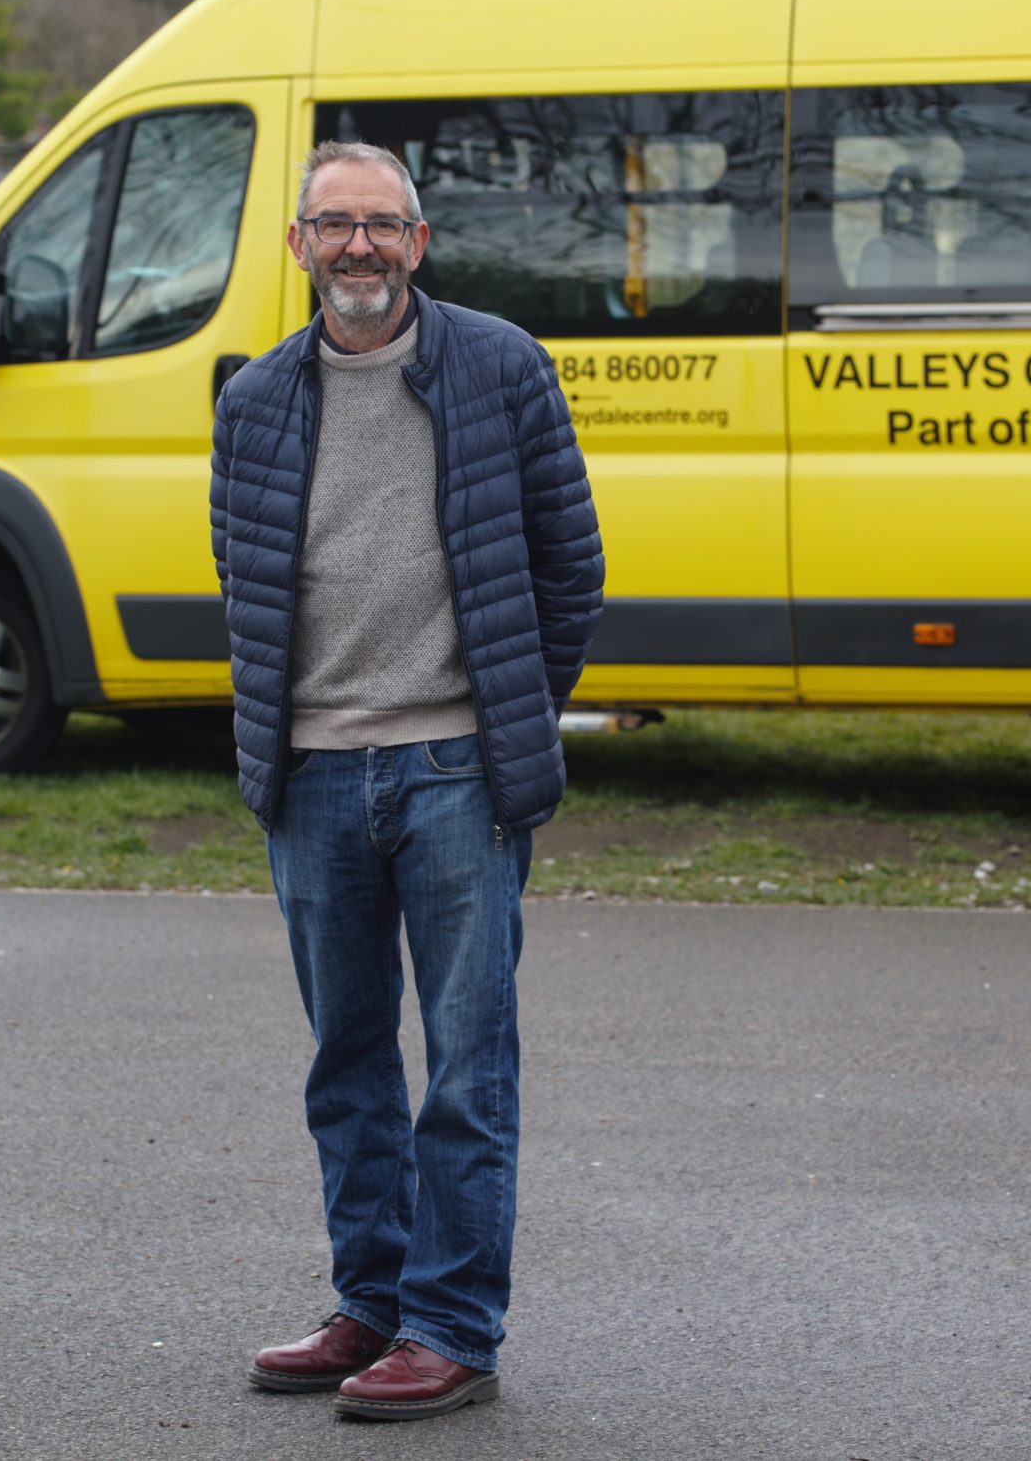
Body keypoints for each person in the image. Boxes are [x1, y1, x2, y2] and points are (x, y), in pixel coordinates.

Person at [208, 140, 604, 1422]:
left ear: (419, 243)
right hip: (315, 775)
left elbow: (569, 564)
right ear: (300, 249)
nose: (360, 248)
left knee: (467, 1068)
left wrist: (506, 727)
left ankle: (451, 1328)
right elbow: (245, 583)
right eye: (336, 227)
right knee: (348, 1063)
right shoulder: (255, 400)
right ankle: (369, 1307)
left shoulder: (498, 366)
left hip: (454, 773)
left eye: (382, 225)